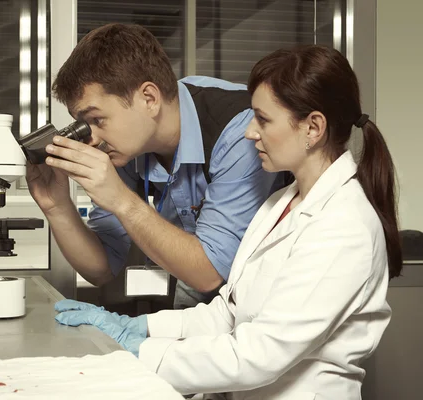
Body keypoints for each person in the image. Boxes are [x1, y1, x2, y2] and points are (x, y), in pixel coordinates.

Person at [53, 44, 403, 400]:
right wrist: (136, 327)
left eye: (263, 120)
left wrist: (139, 354)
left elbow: (259, 354)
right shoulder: (279, 204)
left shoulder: (345, 225)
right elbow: (228, 312)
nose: (249, 133)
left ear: (313, 128)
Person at [26, 23, 281, 309]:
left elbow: (208, 272)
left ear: (149, 98)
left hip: (266, 308)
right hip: (200, 312)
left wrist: (121, 200)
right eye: (84, 124)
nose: (92, 138)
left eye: (97, 120)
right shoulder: (127, 146)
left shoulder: (242, 129)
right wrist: (56, 207)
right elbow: (101, 269)